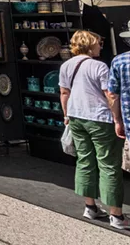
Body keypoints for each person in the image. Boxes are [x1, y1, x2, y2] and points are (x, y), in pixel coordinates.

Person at [60, 30, 128, 230]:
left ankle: (90, 206)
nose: (101, 46)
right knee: (108, 164)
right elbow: (110, 95)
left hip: (76, 116)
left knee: (84, 161)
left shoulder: (66, 65)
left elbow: (64, 93)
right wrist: (117, 119)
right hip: (99, 118)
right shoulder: (99, 66)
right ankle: (116, 215)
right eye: (98, 43)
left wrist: (66, 116)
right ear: (90, 45)